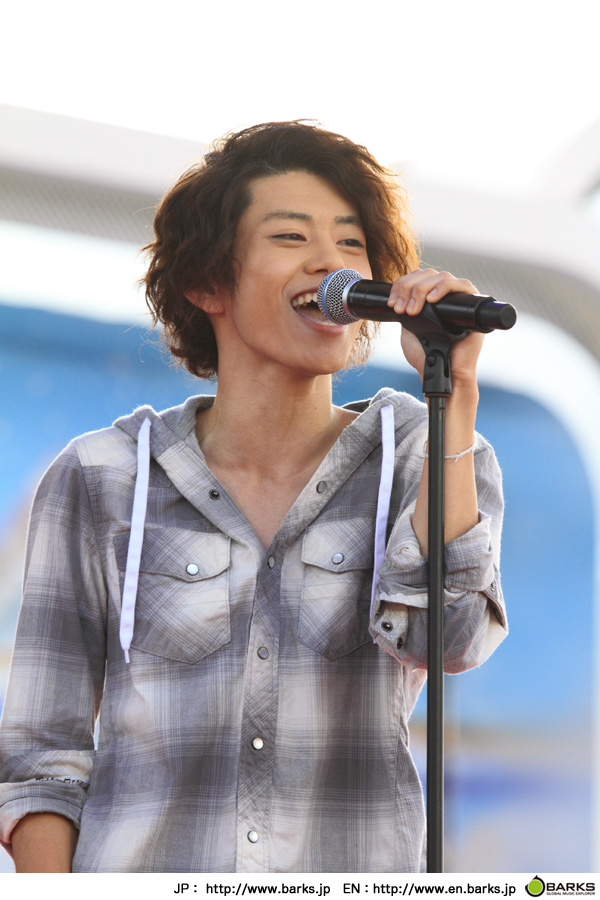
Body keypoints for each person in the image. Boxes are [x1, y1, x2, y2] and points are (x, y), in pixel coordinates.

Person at [0, 121, 507, 873]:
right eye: (291, 236)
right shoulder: (103, 476)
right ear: (208, 283)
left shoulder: (424, 454)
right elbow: (41, 758)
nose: (332, 262)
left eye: (351, 242)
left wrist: (455, 391)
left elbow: (451, 640)